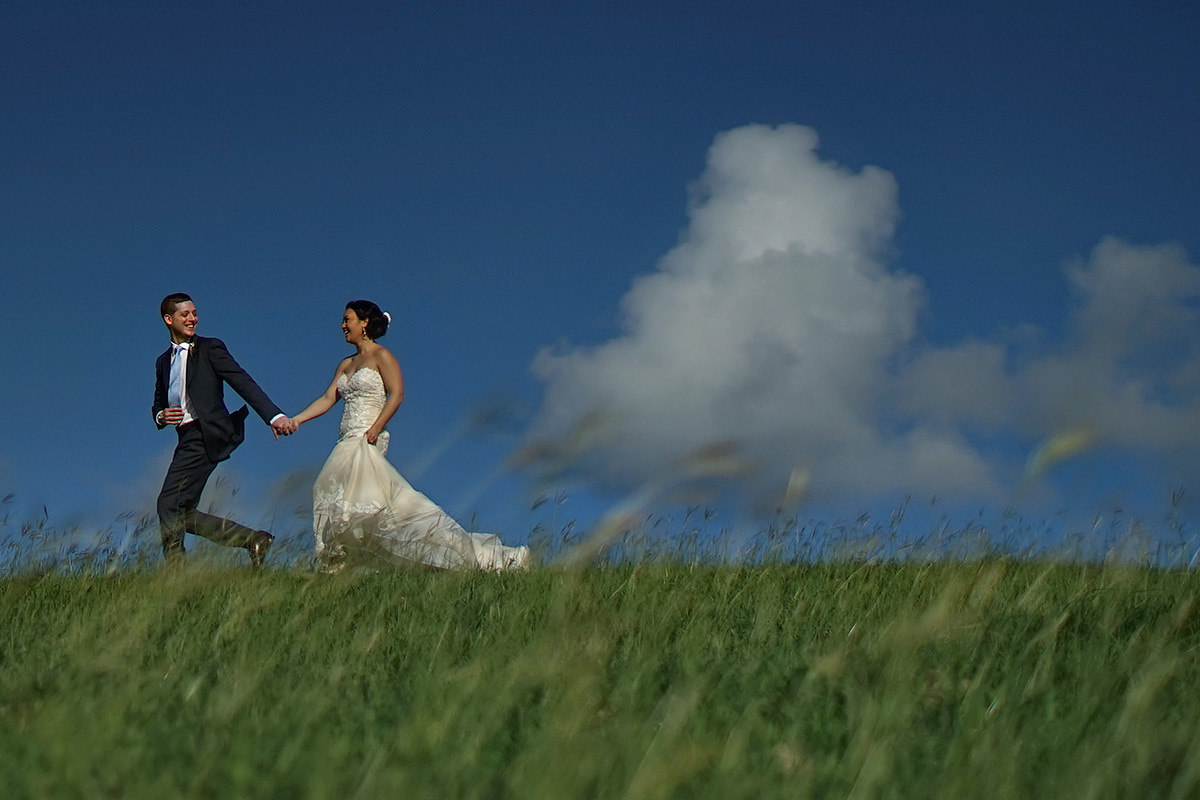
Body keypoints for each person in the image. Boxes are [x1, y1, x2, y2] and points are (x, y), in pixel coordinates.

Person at [282, 300, 530, 572]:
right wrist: (295, 420)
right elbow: (329, 397)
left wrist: (377, 426)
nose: (343, 325)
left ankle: (482, 558)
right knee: (332, 493)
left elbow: (397, 393)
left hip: (367, 439)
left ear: (364, 323)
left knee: (371, 505)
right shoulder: (345, 365)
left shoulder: (381, 356)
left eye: (347, 319)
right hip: (346, 440)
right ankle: (344, 564)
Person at [153, 293, 296, 567]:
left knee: (167, 504)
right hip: (185, 439)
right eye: (186, 315)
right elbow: (157, 402)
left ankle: (175, 574)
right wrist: (161, 415)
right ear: (169, 320)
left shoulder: (210, 348)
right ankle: (252, 539)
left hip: (206, 435)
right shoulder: (162, 362)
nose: (193, 318)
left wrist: (273, 416)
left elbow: (242, 381)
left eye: (194, 313)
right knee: (182, 513)